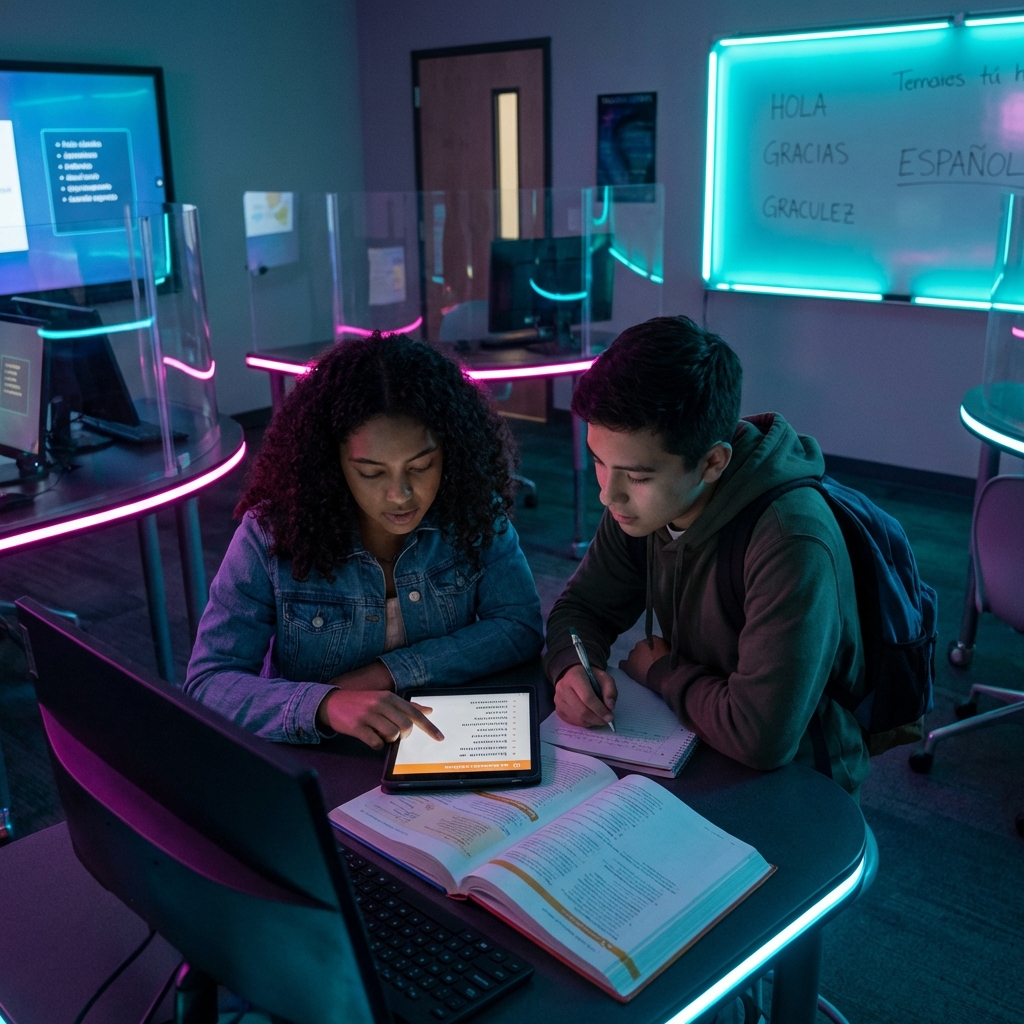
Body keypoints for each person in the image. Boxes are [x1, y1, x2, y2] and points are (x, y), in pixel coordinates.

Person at [545, 316, 869, 794]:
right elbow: (581, 609)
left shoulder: (791, 540)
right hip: (689, 737)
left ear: (713, 462)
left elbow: (762, 738)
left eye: (636, 476)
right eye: (598, 461)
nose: (607, 495)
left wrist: (661, 670)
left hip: (798, 779)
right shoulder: (639, 506)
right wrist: (574, 666)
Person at [185, 332, 543, 749]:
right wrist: (326, 705)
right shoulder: (270, 535)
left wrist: (388, 673)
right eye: (372, 473)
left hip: (440, 744)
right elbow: (209, 682)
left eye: (422, 466)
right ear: (331, 462)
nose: (401, 495)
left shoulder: (472, 508)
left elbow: (519, 625)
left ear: (452, 451)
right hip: (323, 760)